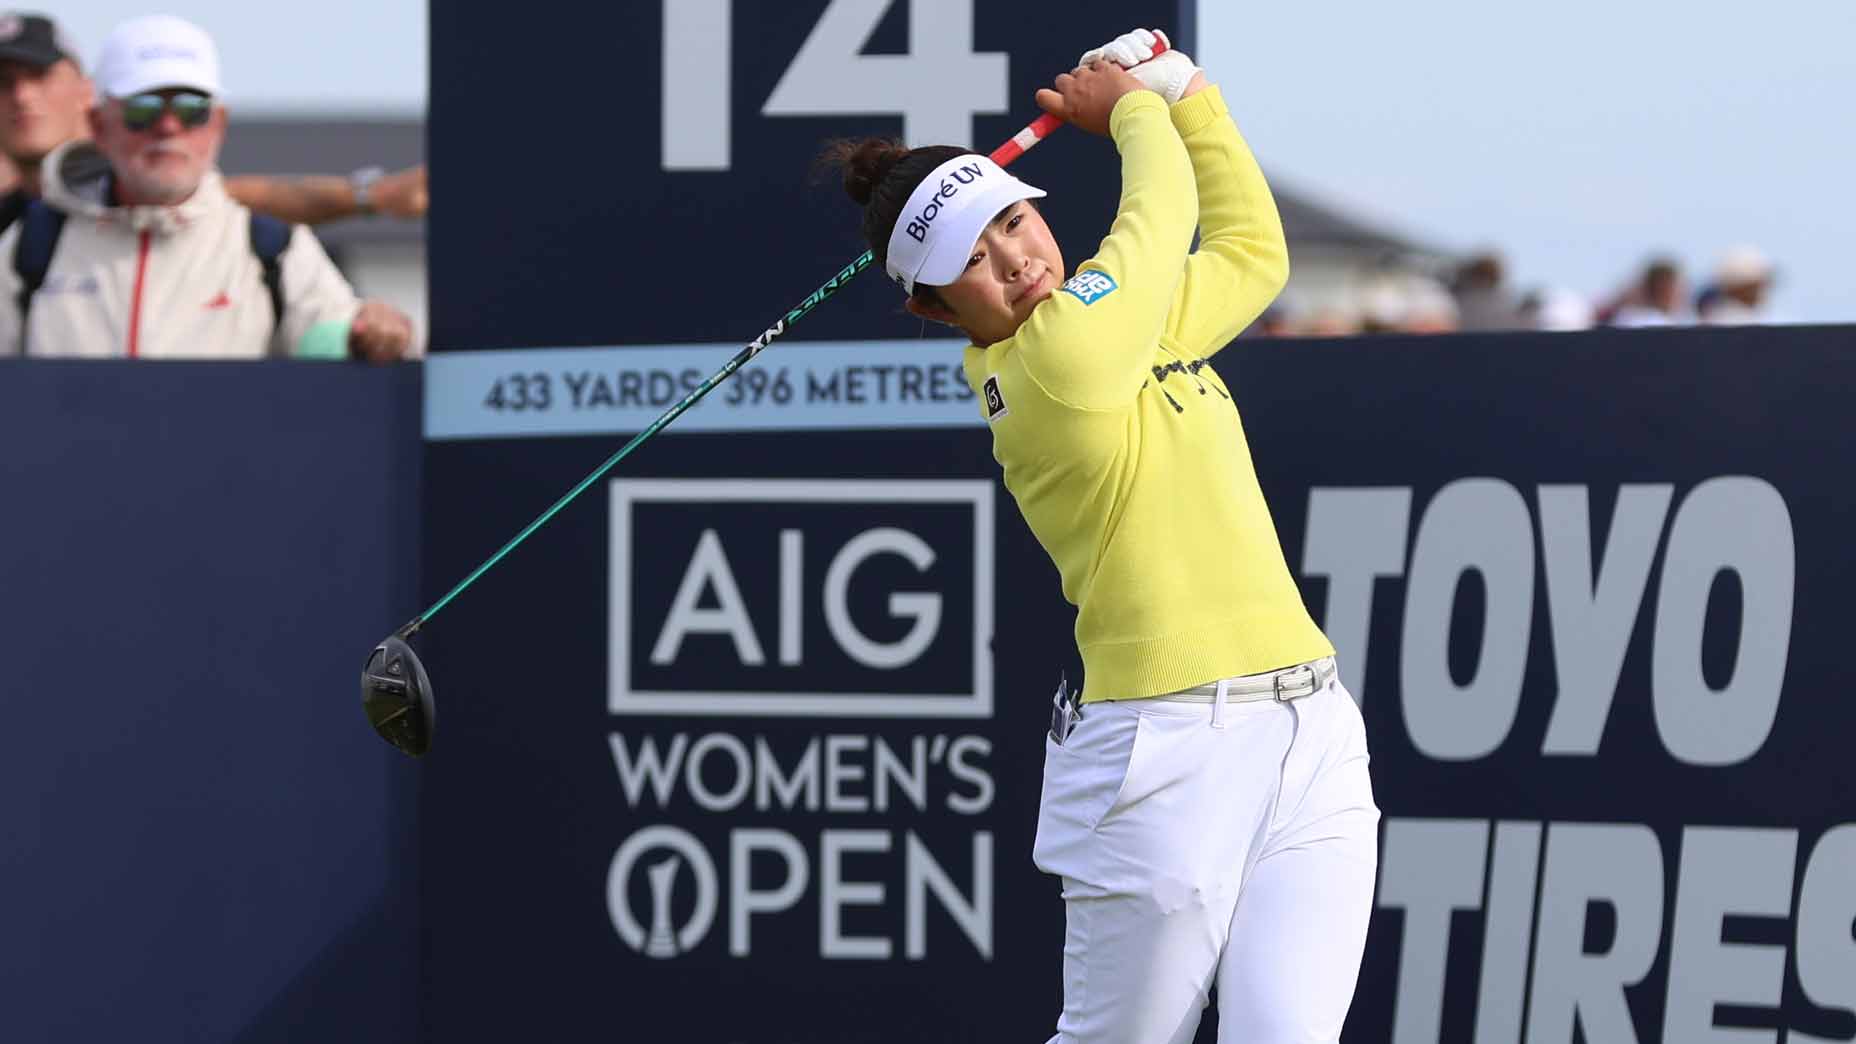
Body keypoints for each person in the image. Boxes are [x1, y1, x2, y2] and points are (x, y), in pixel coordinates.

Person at [821, 28, 1376, 1044]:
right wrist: (1130, 110)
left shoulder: (1121, 328)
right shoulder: (1048, 368)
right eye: (973, 263)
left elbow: (1252, 254)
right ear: (933, 310)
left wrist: (1189, 94)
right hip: (1163, 758)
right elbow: (1159, 221)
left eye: (1013, 222)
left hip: (1312, 730)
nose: (1015, 260)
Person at [0, 14, 411, 360]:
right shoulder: (28, 248)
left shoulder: (274, 250)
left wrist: (373, 334)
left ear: (219, 124)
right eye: (143, 109)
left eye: (191, 109)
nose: (168, 127)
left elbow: (340, 345)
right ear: (99, 125)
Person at [0, 11, 425, 234]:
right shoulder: (17, 226)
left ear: (86, 92)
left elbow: (237, 199)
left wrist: (371, 195)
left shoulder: (139, 177)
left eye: (39, 76)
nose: (22, 96)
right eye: (3, 83)